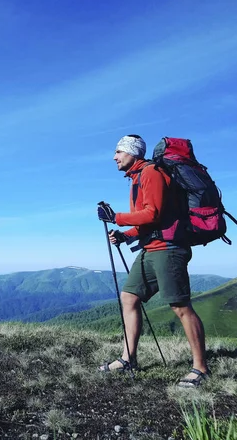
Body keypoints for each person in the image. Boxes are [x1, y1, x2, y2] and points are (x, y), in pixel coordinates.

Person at [96, 134, 210, 388]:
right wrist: (126, 236)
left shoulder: (151, 173)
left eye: (118, 152)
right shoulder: (137, 177)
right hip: (152, 248)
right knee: (129, 297)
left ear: (132, 153)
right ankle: (128, 359)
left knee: (180, 306)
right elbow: (151, 220)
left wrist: (117, 217)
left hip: (168, 250)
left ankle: (201, 368)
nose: (114, 157)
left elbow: (153, 213)